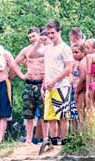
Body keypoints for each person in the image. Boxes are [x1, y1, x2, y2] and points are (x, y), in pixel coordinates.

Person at [29, 20, 73, 150]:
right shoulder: (48, 48)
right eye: (48, 33)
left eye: (53, 33)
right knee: (50, 116)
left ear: (59, 32)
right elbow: (30, 55)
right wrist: (39, 41)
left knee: (63, 116)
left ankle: (64, 142)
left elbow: (68, 68)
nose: (51, 36)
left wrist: (54, 80)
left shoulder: (64, 48)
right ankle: (53, 142)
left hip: (61, 86)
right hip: (49, 87)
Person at [14, 27, 47, 143]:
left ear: (39, 35)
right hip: (29, 84)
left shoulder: (47, 48)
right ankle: (28, 140)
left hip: (42, 84)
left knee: (44, 114)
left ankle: (46, 138)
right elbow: (14, 63)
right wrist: (22, 75)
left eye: (34, 36)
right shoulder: (26, 50)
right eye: (30, 37)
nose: (32, 39)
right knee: (28, 114)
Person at [70, 42, 88, 129]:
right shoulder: (78, 62)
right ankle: (76, 136)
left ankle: (81, 136)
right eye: (73, 52)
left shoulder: (83, 62)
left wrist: (77, 92)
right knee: (75, 114)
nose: (74, 54)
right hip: (75, 89)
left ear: (83, 52)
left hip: (81, 91)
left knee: (81, 114)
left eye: (76, 52)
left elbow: (83, 78)